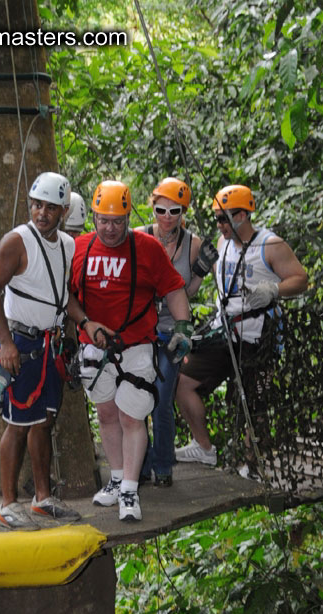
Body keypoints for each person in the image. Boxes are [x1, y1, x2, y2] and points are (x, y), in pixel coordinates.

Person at [69, 179, 191, 522]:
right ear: (94, 218)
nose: (110, 229)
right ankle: (117, 478)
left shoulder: (147, 248)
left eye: (118, 221)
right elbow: (68, 296)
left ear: (128, 217)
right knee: (106, 414)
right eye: (103, 221)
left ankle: (131, 489)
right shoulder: (79, 249)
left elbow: (174, 289)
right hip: (94, 346)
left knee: (132, 416)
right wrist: (85, 325)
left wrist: (182, 327)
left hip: (136, 345)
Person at [175, 184, 308, 472]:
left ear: (245, 214)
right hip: (226, 331)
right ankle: (204, 447)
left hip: (259, 336)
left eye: (226, 218)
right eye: (218, 219)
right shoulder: (223, 244)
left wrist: (274, 289)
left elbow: (300, 279)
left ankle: (253, 465)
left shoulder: (270, 244)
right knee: (183, 381)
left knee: (253, 401)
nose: (221, 225)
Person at [0, 171, 82, 530]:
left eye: (50, 208)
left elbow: (60, 296)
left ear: (64, 211)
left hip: (50, 343)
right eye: (36, 205)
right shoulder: (17, 241)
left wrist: (85, 322)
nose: (41, 213)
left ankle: (42, 497)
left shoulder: (68, 246)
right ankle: (8, 503)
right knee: (17, 424)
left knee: (43, 422)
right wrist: (6, 343)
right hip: (22, 344)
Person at [135, 177, 217, 486]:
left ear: (184, 212)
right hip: (141, 331)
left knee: (161, 398)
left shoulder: (192, 244)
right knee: (137, 398)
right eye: (161, 210)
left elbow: (189, 293)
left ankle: (164, 466)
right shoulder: (139, 238)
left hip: (172, 331)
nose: (168, 217)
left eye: (175, 211)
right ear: (152, 206)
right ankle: (140, 467)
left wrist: (199, 272)